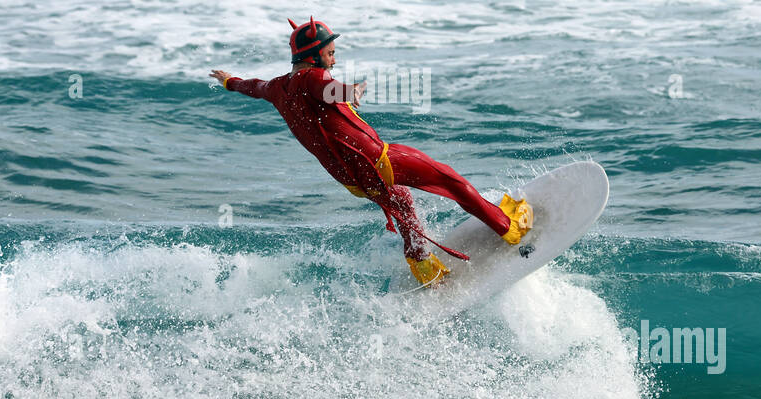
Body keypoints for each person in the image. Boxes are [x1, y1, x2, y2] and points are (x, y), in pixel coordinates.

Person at [210, 17, 533, 286]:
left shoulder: (277, 88)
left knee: (403, 202)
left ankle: (424, 266)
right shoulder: (314, 77)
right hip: (377, 161)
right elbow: (325, 88)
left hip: (352, 179)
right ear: (313, 54)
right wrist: (350, 91)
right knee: (449, 180)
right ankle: (510, 228)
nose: (334, 60)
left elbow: (252, 86)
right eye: (331, 53)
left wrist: (229, 82)